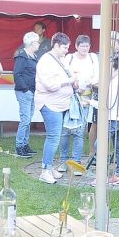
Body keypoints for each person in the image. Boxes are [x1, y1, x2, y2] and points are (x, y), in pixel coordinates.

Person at [35, 32, 75, 184]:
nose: (67, 50)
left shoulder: (61, 60)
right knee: (53, 138)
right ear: (56, 46)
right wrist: (69, 81)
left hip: (60, 104)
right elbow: (50, 85)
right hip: (49, 104)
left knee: (55, 137)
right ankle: (45, 171)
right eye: (65, 47)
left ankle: (50, 167)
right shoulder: (46, 61)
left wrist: (74, 81)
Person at [90, 57, 119, 187]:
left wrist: (90, 102)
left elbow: (106, 104)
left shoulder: (113, 84)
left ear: (115, 68)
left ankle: (102, 176)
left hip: (112, 118)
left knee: (100, 144)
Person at [57, 35, 96, 173]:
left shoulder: (93, 58)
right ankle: (63, 161)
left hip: (85, 100)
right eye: (82, 46)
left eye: (87, 46)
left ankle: (76, 162)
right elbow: (63, 75)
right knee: (65, 131)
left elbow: (97, 76)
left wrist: (90, 83)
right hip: (69, 98)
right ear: (77, 46)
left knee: (79, 132)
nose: (85, 48)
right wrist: (75, 85)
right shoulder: (69, 58)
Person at [13, 31, 40, 158]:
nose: (39, 44)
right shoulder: (22, 56)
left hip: (32, 91)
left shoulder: (33, 56)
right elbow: (17, 74)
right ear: (32, 43)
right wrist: (25, 89)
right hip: (25, 92)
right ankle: (19, 146)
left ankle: (25, 144)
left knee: (27, 119)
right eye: (37, 42)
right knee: (25, 119)